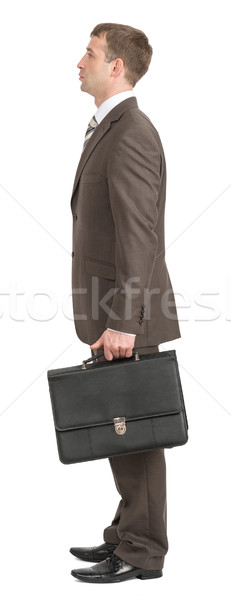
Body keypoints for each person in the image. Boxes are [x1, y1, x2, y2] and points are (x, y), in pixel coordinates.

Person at [69, 22, 181, 584]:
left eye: (89, 53)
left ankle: (142, 552)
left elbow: (140, 238)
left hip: (125, 316)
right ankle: (126, 534)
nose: (79, 61)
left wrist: (124, 322)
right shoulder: (109, 127)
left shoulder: (131, 131)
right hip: (113, 312)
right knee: (124, 430)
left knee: (136, 433)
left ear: (117, 66)